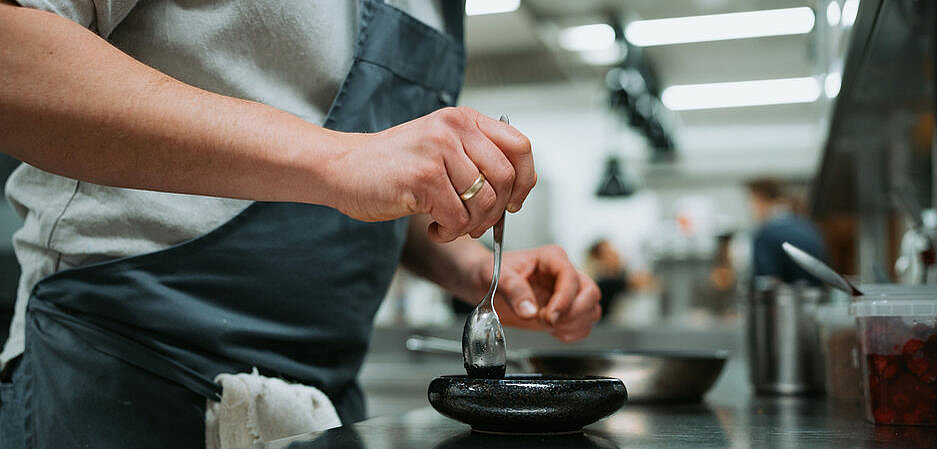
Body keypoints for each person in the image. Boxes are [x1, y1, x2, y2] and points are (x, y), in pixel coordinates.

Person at [0, 1, 602, 448]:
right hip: (118, 382)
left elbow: (372, 185)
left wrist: (473, 268)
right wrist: (341, 159)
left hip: (327, 404)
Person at [746, 178, 827, 285]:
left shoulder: (765, 235)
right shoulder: (807, 225)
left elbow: (767, 284)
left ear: (759, 199)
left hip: (789, 300)